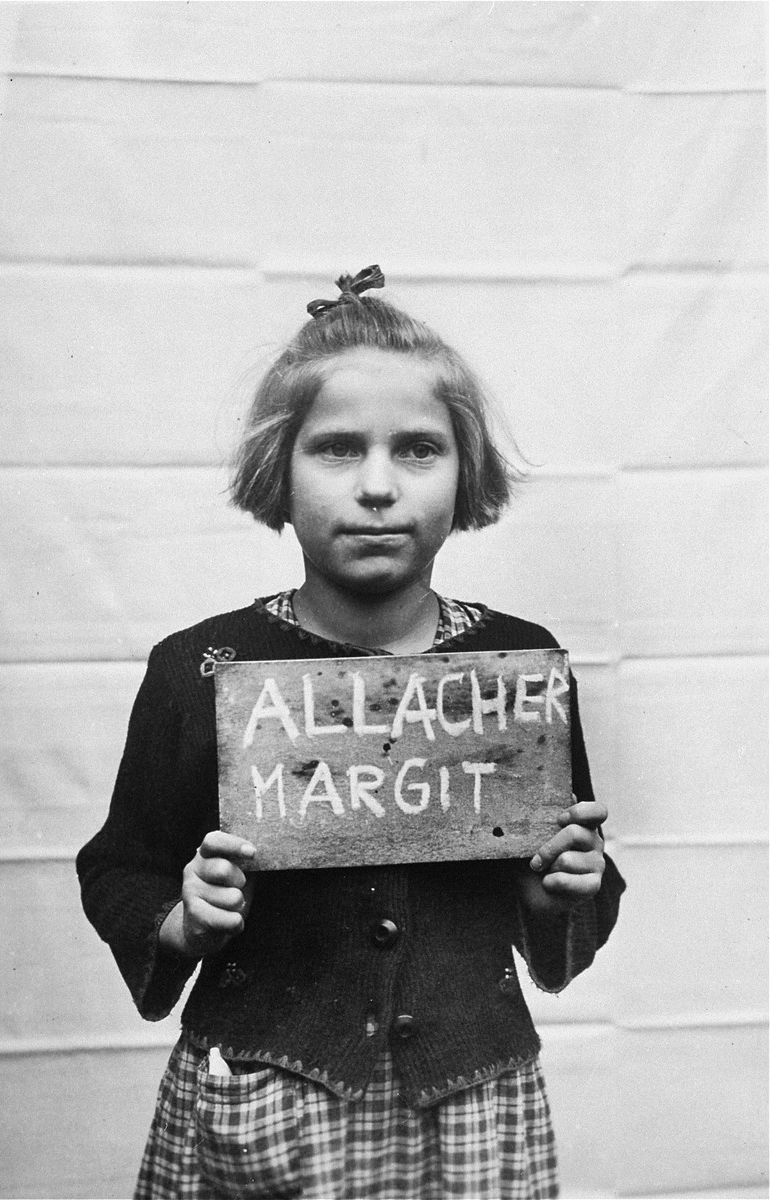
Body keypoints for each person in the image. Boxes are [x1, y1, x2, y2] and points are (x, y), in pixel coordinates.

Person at [77, 265, 625, 1200]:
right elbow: (119, 864)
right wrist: (181, 918)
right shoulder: (202, 667)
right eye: (335, 450)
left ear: (467, 474)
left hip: (471, 1103)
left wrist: (565, 889)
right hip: (262, 1098)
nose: (377, 487)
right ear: (277, 477)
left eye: (417, 450)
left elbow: (565, 883)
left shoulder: (516, 667)